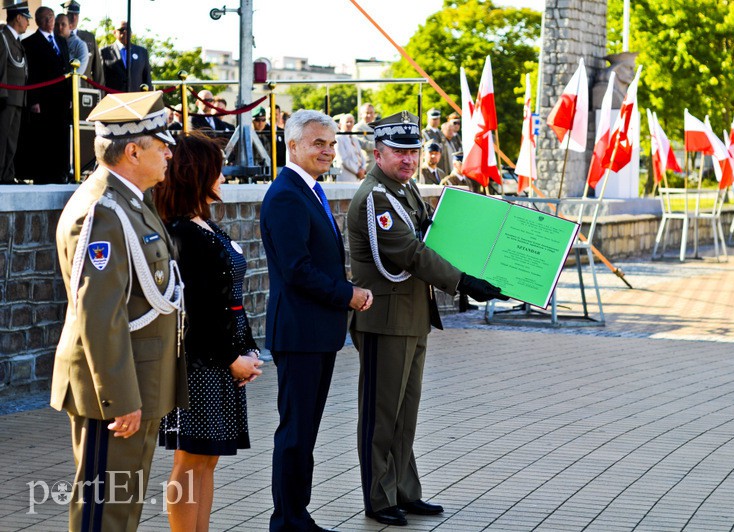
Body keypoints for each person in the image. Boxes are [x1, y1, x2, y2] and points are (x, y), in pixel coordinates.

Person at [347, 111, 506, 526]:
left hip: (412, 316)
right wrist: (464, 281)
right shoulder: (376, 197)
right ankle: (379, 499)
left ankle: (404, 490)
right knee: (381, 415)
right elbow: (411, 254)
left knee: (406, 413)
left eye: (413, 151)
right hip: (384, 319)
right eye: (399, 152)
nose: (408, 159)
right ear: (378, 153)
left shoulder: (405, 189)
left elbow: (434, 234)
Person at [50, 91, 188, 531]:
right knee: (103, 512)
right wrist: (121, 399)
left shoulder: (130, 202)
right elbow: (99, 313)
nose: (169, 152)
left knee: (122, 507)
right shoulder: (104, 210)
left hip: (139, 382)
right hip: (115, 390)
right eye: (161, 143)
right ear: (132, 150)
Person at [260, 109, 373, 532]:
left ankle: (296, 514)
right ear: (293, 146)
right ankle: (287, 519)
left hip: (316, 332)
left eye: (331, 143)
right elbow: (297, 269)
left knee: (304, 432)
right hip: (301, 332)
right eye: (318, 143)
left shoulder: (308, 189)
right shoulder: (288, 193)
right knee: (295, 433)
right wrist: (349, 293)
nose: (328, 151)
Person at [153, 132, 264, 531]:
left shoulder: (204, 225)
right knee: (190, 458)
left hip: (223, 357)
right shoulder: (181, 231)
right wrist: (232, 357)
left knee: (208, 458)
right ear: (197, 173)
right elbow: (196, 312)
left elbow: (230, 298)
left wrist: (248, 349)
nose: (223, 174)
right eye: (216, 167)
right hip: (200, 362)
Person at [18, 5, 70, 184]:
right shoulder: (30, 43)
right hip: (43, 98)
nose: (49, 21)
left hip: (61, 98)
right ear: (38, 21)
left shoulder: (62, 41)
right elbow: (30, 74)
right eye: (45, 18)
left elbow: (67, 69)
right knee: (44, 137)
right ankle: (44, 174)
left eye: (51, 17)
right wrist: (33, 100)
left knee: (61, 135)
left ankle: (61, 172)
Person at [0, 2, 30, 184]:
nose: (27, 23)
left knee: (11, 140)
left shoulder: (16, 41)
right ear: (18, 17)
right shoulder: (3, 38)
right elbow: (1, 68)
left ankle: (7, 174)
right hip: (6, 97)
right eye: (26, 18)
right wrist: (2, 94)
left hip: (18, 98)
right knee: (2, 139)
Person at [100, 21, 152, 92]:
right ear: (114, 32)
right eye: (121, 30)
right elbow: (100, 78)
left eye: (128, 29)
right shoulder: (104, 52)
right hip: (114, 98)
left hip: (137, 98)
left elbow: (147, 78)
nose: (125, 32)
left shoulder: (142, 52)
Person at [62, 0, 104, 86]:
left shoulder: (89, 37)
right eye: (70, 14)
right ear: (64, 15)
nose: (73, 18)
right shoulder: (58, 37)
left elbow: (97, 69)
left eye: (76, 15)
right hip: (62, 88)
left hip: (84, 89)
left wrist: (101, 92)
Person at [334, 113, 366, 182]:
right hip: (346, 176)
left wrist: (363, 169)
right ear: (340, 124)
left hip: (358, 178)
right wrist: (357, 171)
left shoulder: (354, 138)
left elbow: (361, 155)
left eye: (351, 122)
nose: (349, 124)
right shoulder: (338, 139)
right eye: (347, 122)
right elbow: (343, 159)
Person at [353, 102, 376, 170]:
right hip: (367, 165)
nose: (369, 115)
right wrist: (382, 144)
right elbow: (364, 144)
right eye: (367, 113)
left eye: (371, 113)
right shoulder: (358, 128)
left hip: (379, 164)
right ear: (361, 114)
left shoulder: (376, 126)